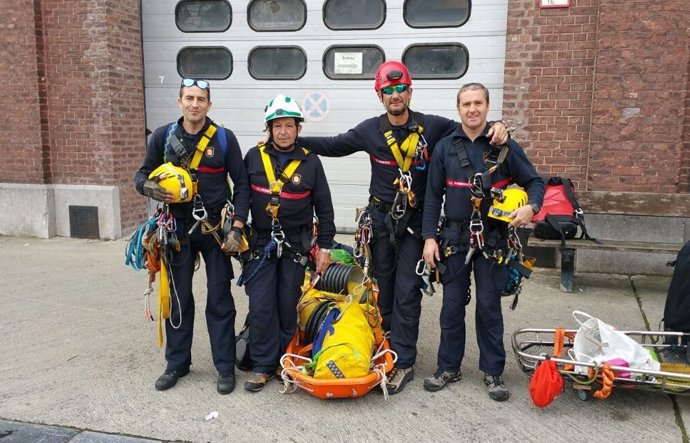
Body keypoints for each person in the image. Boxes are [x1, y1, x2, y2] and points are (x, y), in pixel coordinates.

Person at [299, 61, 509, 394]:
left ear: (410, 91)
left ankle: (405, 361)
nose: (395, 96)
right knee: (385, 291)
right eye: (388, 91)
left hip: (414, 224)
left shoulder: (433, 127)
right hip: (381, 223)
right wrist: (296, 140)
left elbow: (471, 128)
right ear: (379, 95)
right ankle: (386, 346)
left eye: (400, 89)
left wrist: (498, 127)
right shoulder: (369, 130)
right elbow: (335, 144)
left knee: (407, 293)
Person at [421, 82, 544, 401]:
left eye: (478, 103)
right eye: (466, 104)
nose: (472, 109)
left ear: (488, 107)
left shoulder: (505, 146)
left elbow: (534, 181)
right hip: (453, 239)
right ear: (458, 109)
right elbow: (433, 196)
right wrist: (429, 238)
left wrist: (531, 207)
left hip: (494, 240)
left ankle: (493, 372)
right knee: (450, 308)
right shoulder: (446, 147)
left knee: (489, 308)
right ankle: (448, 367)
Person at [134, 78, 250, 394]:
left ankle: (225, 368)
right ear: (179, 102)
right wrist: (148, 187)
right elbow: (141, 175)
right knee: (177, 298)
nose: (194, 104)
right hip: (176, 230)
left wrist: (237, 228)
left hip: (214, 232)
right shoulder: (162, 137)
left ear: (209, 104)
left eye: (201, 99)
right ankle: (177, 364)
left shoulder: (224, 139)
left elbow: (241, 186)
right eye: (189, 98)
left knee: (220, 299)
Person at [241, 94, 335, 392]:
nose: (283, 131)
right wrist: (236, 227)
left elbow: (325, 207)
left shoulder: (311, 162)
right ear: (268, 128)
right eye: (277, 125)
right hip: (261, 242)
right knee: (261, 305)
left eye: (289, 125)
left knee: (286, 304)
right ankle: (262, 366)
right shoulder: (254, 157)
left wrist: (327, 248)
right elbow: (242, 195)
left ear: (298, 128)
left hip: (296, 245)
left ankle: (285, 361)